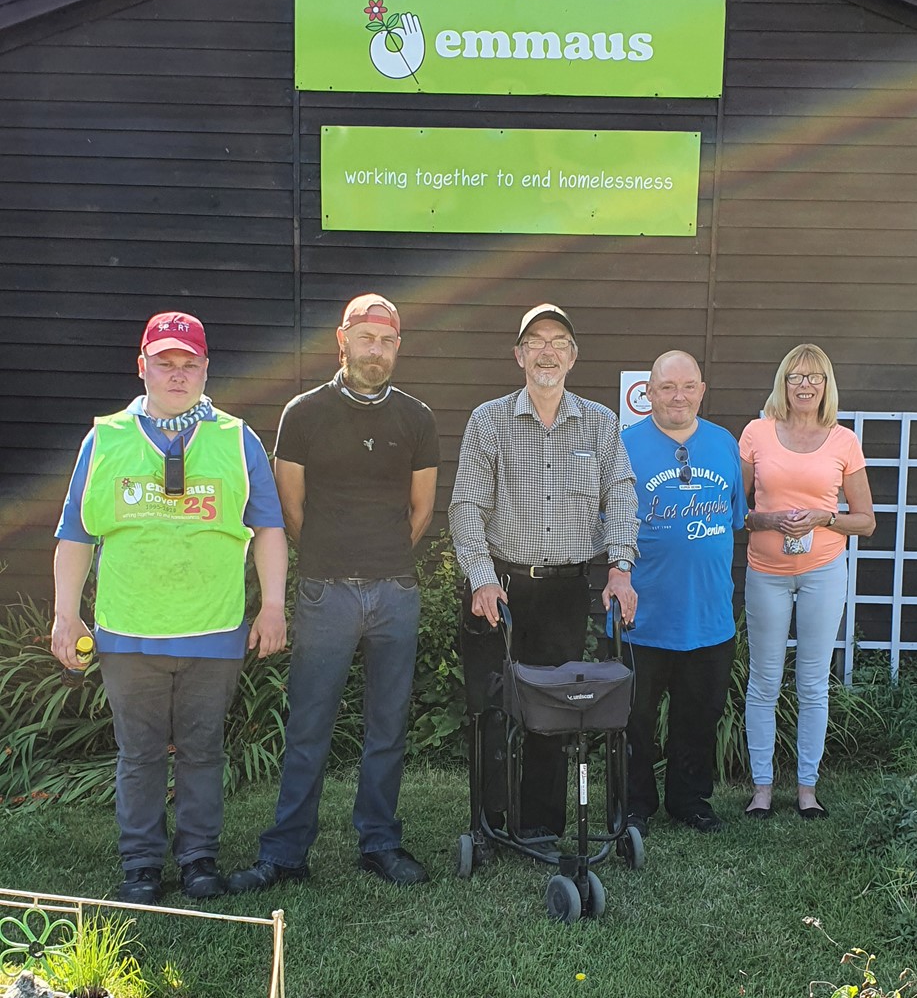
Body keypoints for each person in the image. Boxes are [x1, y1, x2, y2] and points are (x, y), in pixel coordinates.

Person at [51, 311, 288, 904]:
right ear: (143, 366)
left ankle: (199, 859)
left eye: (189, 365)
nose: (177, 375)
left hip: (213, 630)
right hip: (128, 632)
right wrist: (65, 613)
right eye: (165, 363)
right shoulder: (104, 437)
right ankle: (141, 866)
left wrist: (274, 606)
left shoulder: (237, 439)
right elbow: (76, 534)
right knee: (139, 753)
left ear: (206, 369)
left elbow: (269, 529)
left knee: (204, 750)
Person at [228, 293, 439, 891]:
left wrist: (380, 557)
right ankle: (286, 853)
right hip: (324, 592)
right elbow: (289, 507)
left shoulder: (417, 418)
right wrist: (332, 556)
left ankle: (379, 842)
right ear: (342, 340)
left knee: (387, 726)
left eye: (387, 341)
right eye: (366, 338)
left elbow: (421, 511)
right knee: (309, 724)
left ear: (398, 347)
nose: (376, 351)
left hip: (396, 591)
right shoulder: (303, 413)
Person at [449, 303, 638, 847]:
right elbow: (466, 507)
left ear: (573, 357)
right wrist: (481, 577)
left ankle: (539, 826)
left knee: (558, 709)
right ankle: (487, 824)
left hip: (565, 589)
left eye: (558, 341)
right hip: (499, 587)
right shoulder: (487, 421)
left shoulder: (600, 423)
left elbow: (622, 497)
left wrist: (620, 569)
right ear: (519, 355)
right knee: (490, 706)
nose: (547, 350)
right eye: (535, 341)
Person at [740, 344, 875, 819]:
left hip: (822, 573)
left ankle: (806, 789)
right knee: (764, 682)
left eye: (814, 377)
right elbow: (740, 513)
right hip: (767, 573)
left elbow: (866, 521)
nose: (804, 385)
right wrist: (770, 519)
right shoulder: (756, 433)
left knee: (814, 682)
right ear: (783, 382)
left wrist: (825, 516)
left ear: (826, 385)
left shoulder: (844, 441)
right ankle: (761, 789)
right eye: (795, 376)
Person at [621, 351, 746, 836]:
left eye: (688, 386)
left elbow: (733, 518)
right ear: (648, 392)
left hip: (709, 613)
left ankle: (689, 800)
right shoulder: (624, 447)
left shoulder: (723, 444)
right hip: (642, 614)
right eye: (667, 386)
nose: (678, 396)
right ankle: (633, 805)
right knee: (634, 720)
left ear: (702, 390)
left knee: (699, 716)